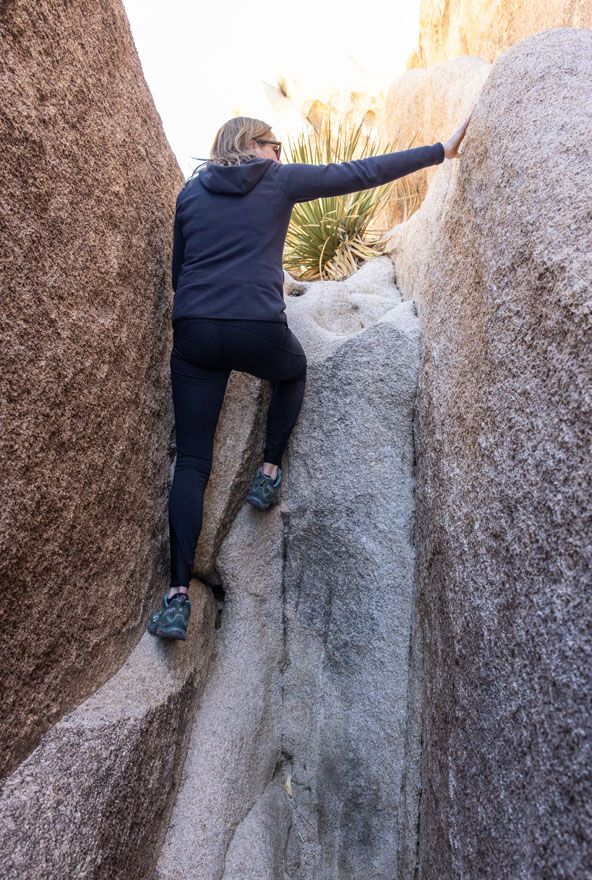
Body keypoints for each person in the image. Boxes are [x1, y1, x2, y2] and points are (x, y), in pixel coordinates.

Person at [148, 111, 473, 640]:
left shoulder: (190, 194)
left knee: (193, 462)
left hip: (196, 333)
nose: (280, 152)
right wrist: (440, 151)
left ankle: (176, 597)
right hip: (256, 327)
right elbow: (360, 172)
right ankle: (270, 470)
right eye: (274, 143)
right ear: (256, 144)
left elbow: (180, 270)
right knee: (293, 372)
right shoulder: (277, 179)